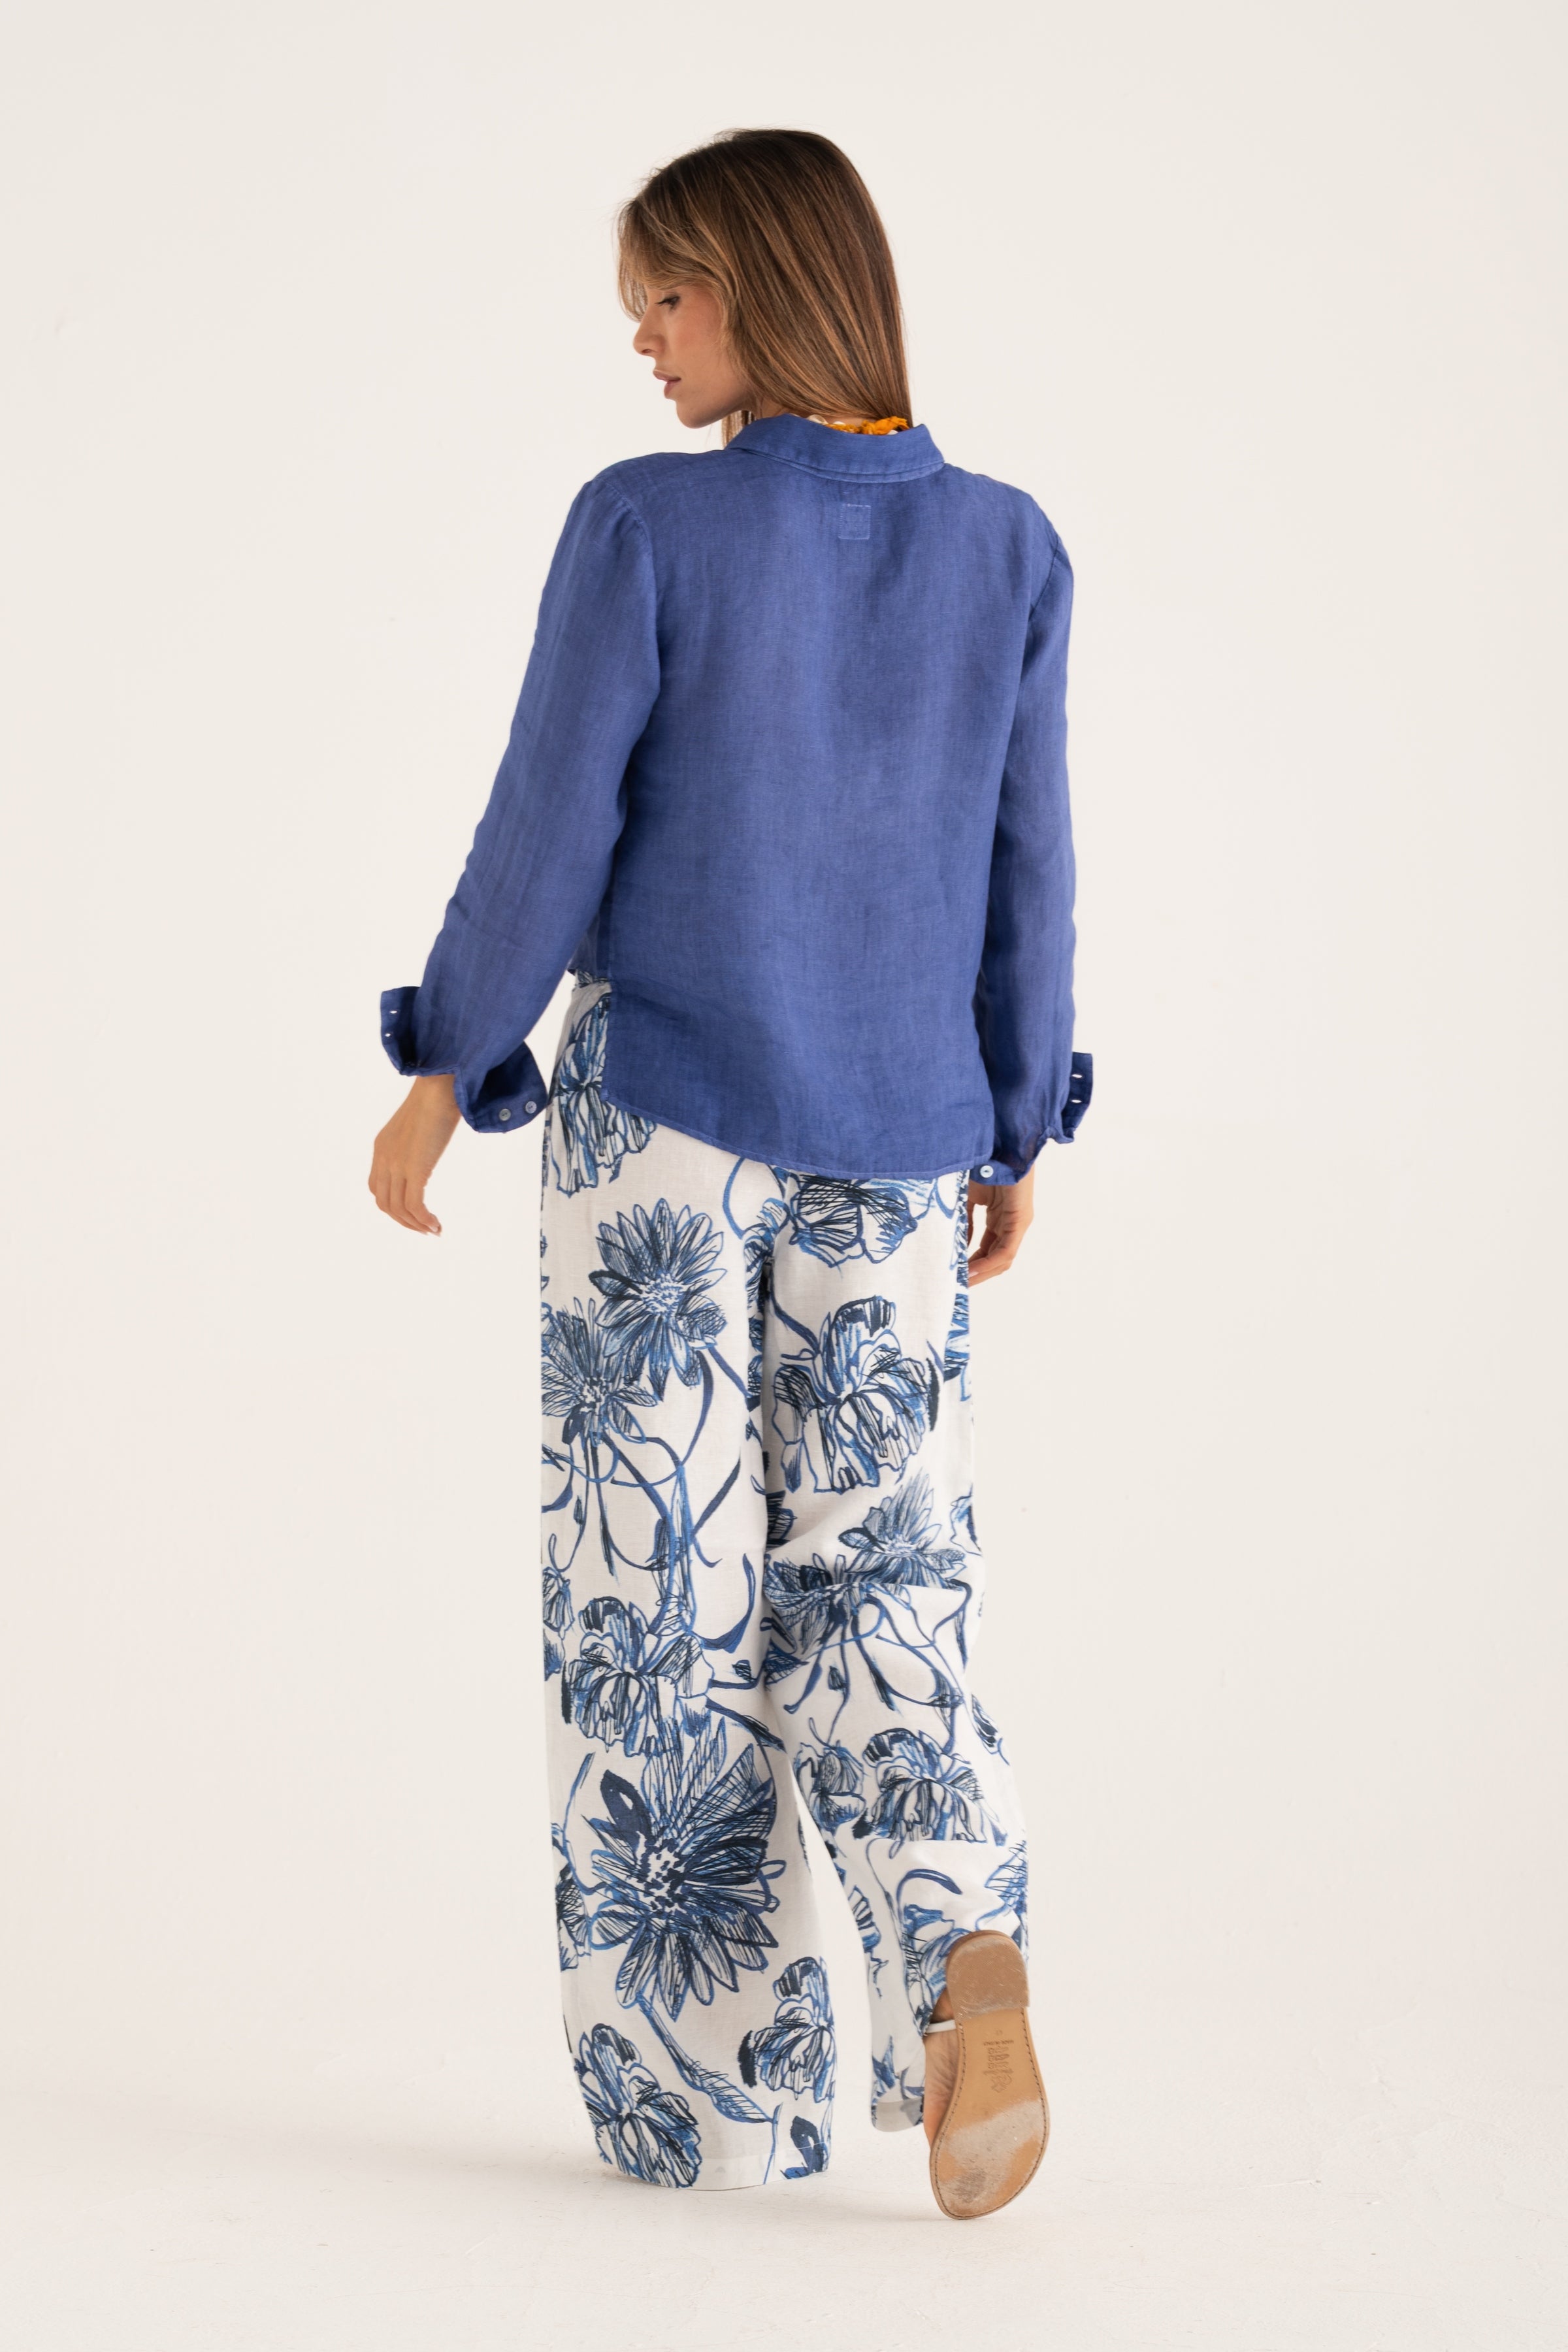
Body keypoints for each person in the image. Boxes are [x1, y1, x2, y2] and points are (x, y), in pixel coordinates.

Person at [368, 128, 1090, 2219]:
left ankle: (712, 2110)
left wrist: (447, 1062)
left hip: (666, 1136)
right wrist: (1016, 1116)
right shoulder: (1010, 548)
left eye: (666, 298)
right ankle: (959, 1942)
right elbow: (1030, 867)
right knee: (886, 1576)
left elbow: (550, 821)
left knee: (657, 1601)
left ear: (769, 284)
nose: (644, 343)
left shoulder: (649, 525)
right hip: (902, 1147)